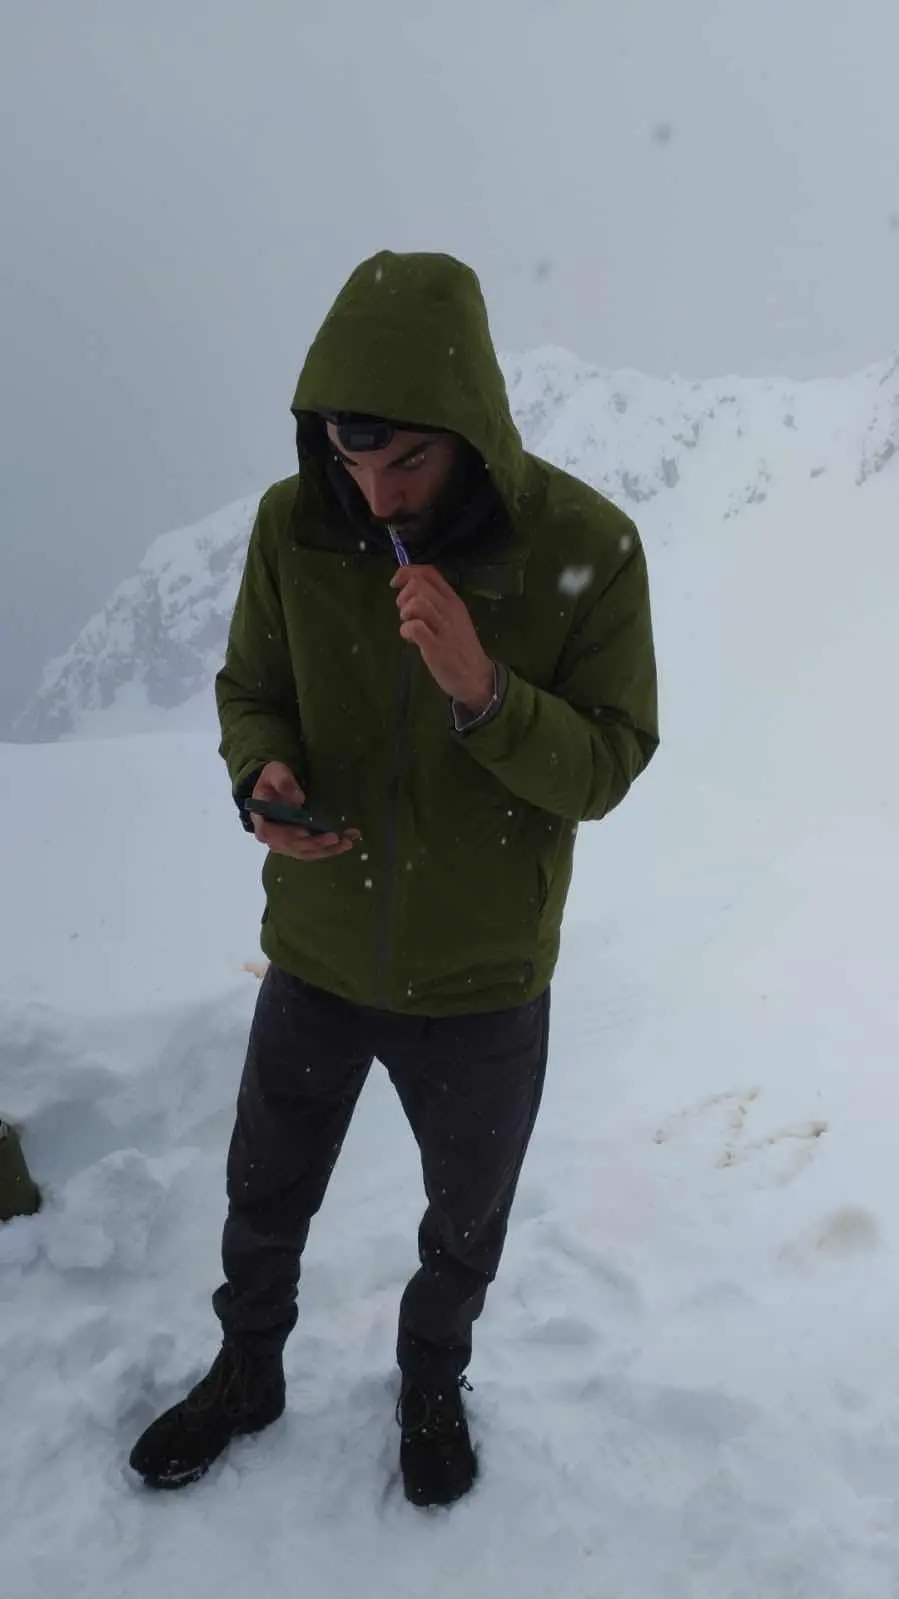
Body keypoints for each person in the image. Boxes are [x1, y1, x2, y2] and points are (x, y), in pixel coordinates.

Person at [129, 250, 659, 1506]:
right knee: (262, 1198)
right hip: (316, 952)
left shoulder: (585, 545)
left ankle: (429, 1379)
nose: (375, 494)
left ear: (468, 422)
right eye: (347, 459)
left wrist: (483, 691)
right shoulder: (294, 525)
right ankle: (246, 1370)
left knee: (462, 1225)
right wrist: (260, 776)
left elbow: (607, 765)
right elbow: (251, 688)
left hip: (481, 979)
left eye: (407, 461)